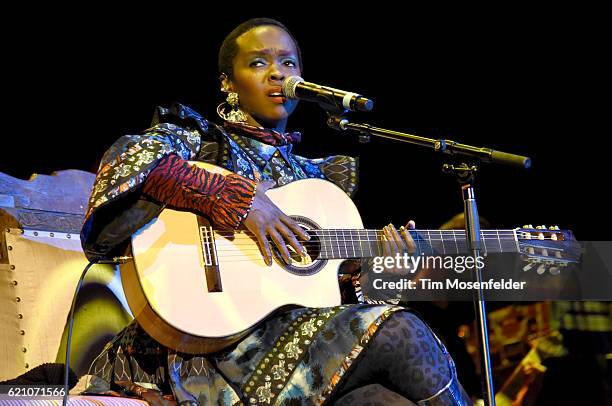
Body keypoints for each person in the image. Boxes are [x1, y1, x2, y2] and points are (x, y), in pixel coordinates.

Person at [80, 18, 472, 405]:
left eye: (287, 63)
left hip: (300, 348)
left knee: (384, 400)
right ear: (227, 83)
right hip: (208, 347)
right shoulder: (202, 140)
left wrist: (385, 274)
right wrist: (238, 198)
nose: (276, 74)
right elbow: (129, 161)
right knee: (399, 329)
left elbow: (329, 297)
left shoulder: (317, 180)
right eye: (258, 63)